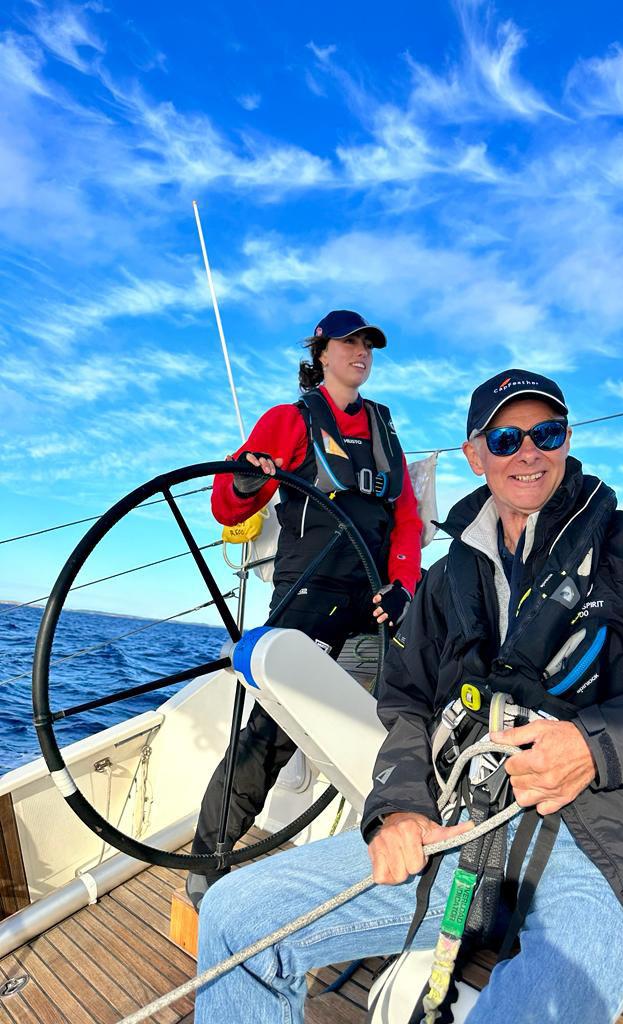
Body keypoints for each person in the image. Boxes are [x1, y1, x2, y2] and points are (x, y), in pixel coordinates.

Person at [195, 368, 623, 1024]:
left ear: (566, 440)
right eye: (505, 438)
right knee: (238, 917)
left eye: (545, 433)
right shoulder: (447, 581)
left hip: (617, 844)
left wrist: (595, 746)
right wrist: (400, 809)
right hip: (465, 827)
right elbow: (406, 703)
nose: (528, 450)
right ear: (474, 455)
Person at [187, 309, 423, 908]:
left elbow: (405, 520)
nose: (361, 351)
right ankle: (208, 860)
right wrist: (246, 482)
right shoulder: (288, 420)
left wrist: (403, 585)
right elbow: (228, 505)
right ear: (320, 353)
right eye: (349, 342)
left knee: (387, 728)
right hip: (308, 599)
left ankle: (384, 863)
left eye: (369, 342)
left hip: (374, 606)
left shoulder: (385, 428)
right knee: (269, 734)